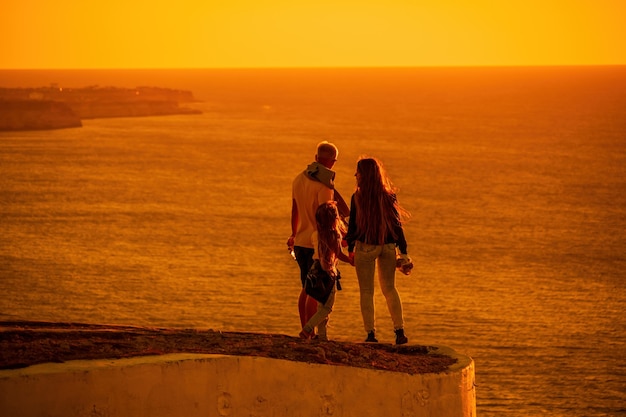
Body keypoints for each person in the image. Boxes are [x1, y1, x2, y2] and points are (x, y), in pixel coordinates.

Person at [346, 156, 412, 345]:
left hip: (366, 247)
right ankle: (399, 332)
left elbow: (353, 228)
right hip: (388, 246)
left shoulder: (357, 197)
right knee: (390, 289)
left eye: (357, 172)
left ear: (363, 175)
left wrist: (350, 249)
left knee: (367, 292)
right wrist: (404, 251)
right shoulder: (389, 196)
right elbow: (397, 226)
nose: (355, 175)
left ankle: (370, 334)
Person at [288, 141, 349, 336]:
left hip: (300, 241)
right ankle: (310, 332)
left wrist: (293, 233)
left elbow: (294, 211)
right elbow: (327, 217)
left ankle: (307, 329)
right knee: (313, 290)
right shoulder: (324, 186)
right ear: (333, 162)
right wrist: (338, 240)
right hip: (318, 243)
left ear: (316, 158)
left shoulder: (298, 179)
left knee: (306, 288)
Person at [300, 201, 352, 340]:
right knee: (327, 307)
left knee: (321, 306)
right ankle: (308, 329)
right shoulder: (336, 236)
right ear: (335, 219)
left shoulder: (315, 235)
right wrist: (351, 261)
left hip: (314, 270)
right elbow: (339, 254)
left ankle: (322, 336)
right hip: (328, 273)